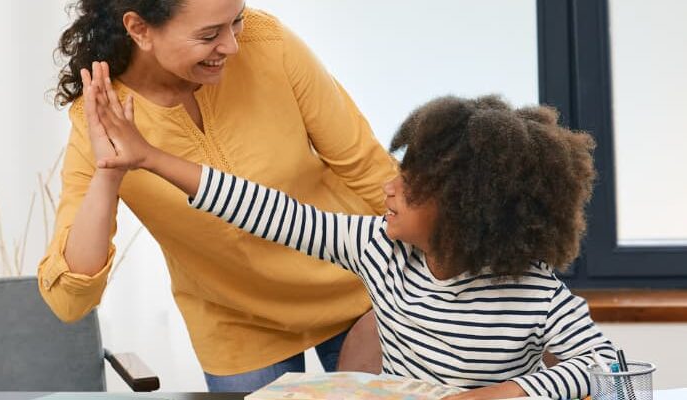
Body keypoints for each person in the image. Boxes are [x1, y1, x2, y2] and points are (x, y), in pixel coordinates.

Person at [89, 86, 617, 399]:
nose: (389, 185)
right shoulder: (378, 248)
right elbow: (272, 212)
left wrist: (506, 393)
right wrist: (150, 157)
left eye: (411, 182)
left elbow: (609, 370)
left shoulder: (533, 292)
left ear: (465, 208)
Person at [38, 0, 398, 391]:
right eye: (209, 35)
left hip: (359, 288)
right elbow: (69, 301)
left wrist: (435, 273)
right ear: (140, 29)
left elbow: (367, 167)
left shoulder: (268, 42)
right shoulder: (101, 116)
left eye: (237, 21)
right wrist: (108, 173)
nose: (232, 46)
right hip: (238, 325)